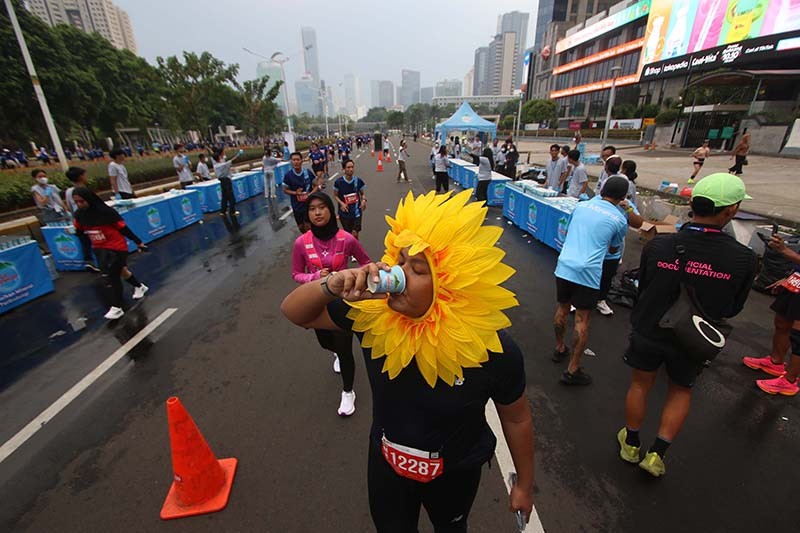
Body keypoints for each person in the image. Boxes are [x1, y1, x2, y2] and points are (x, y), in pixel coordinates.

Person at [280, 189, 534, 532]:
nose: (398, 274)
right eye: (398, 260)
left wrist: (523, 485)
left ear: (451, 286)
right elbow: (294, 312)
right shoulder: (372, 317)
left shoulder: (492, 349)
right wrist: (330, 284)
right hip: (387, 467)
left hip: (456, 473)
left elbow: (517, 419)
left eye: (416, 268)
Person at [618, 173, 756, 477]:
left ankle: (630, 443)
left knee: (641, 384)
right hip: (695, 338)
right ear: (730, 211)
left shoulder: (659, 246)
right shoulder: (744, 259)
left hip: (650, 329)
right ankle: (656, 455)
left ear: (691, 204)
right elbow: (733, 307)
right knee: (680, 391)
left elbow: (642, 288)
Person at [291, 192, 371, 415]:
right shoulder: (301, 243)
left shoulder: (347, 239)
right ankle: (334, 351)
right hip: (316, 302)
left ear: (331, 210)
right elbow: (296, 273)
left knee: (345, 348)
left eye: (322, 207)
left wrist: (354, 277)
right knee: (326, 343)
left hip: (343, 303)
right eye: (312, 209)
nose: (317, 212)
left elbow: (366, 263)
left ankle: (348, 392)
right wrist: (314, 278)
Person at [553, 177, 631, 385]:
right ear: (623, 197)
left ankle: (559, 348)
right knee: (582, 320)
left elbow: (570, 230)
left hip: (565, 265)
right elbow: (614, 248)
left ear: (602, 189)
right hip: (588, 271)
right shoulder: (619, 219)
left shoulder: (581, 206)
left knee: (562, 309)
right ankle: (572, 369)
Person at [72, 187, 149, 320]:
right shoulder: (79, 214)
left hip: (116, 247)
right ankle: (139, 286)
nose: (79, 205)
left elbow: (124, 229)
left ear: (89, 199)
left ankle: (116, 307)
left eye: (82, 201)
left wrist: (138, 242)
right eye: (76, 202)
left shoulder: (106, 212)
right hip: (99, 248)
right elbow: (79, 232)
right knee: (122, 271)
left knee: (112, 275)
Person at [742, 234, 800, 396]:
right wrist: (789, 277)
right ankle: (776, 362)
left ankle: (789, 380)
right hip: (797, 282)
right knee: (782, 322)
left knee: (798, 335)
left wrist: (784, 250)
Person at [595, 157, 644, 317]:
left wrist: (629, 210)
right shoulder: (595, 203)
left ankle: (600, 300)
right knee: (589, 274)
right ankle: (579, 300)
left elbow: (638, 224)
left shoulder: (626, 206)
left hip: (613, 252)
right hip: (596, 248)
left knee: (607, 276)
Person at [64, 167, 101, 272]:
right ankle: (101, 264)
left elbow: (69, 207)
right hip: (89, 220)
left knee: (85, 242)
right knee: (96, 242)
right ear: (80, 176)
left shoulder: (68, 191)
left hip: (78, 220)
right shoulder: (84, 190)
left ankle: (89, 262)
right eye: (85, 175)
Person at [283, 151, 319, 232]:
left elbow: (316, 185)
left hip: (308, 205)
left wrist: (310, 194)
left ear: (301, 161)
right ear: (291, 162)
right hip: (296, 206)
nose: (296, 162)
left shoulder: (308, 173)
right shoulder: (288, 175)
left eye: (298, 160)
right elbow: (285, 190)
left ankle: (312, 242)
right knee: (301, 228)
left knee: (308, 227)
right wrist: (295, 193)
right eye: (294, 160)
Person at [334, 160, 367, 240]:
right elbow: (335, 195)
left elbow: (362, 194)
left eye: (352, 167)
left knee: (355, 233)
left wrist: (363, 201)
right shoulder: (338, 182)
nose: (351, 169)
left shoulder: (358, 181)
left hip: (356, 212)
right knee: (349, 235)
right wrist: (342, 203)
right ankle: (353, 249)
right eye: (348, 167)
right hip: (344, 213)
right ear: (344, 169)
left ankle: (356, 250)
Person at [212, 148, 243, 217]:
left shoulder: (216, 165)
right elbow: (231, 161)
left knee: (224, 196)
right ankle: (232, 211)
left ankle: (223, 211)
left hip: (222, 181)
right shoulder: (221, 165)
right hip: (226, 180)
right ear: (219, 157)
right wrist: (238, 155)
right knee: (231, 196)